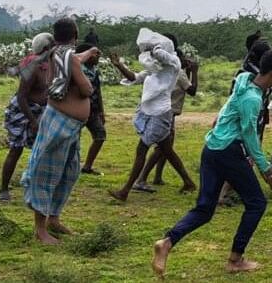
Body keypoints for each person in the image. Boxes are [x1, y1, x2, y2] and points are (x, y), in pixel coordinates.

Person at [152, 51, 272, 277]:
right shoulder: (253, 99)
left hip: (212, 149)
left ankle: (167, 242)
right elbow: (249, 135)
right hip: (229, 151)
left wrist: (222, 119)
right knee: (256, 203)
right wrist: (268, 171)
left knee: (205, 208)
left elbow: (227, 109)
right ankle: (235, 260)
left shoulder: (244, 80)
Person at [21, 17, 96, 245]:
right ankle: (40, 230)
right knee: (47, 172)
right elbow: (86, 89)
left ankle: (53, 218)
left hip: (69, 125)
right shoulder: (68, 58)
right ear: (75, 34)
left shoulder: (57, 53)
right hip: (60, 122)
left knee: (68, 171)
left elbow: (75, 59)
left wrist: (89, 53)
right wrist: (87, 78)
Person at [108, 30, 195, 201]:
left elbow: (163, 55)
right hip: (151, 113)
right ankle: (188, 182)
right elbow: (134, 77)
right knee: (166, 150)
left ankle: (125, 191)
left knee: (142, 149)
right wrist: (119, 65)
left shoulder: (174, 63)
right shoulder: (155, 68)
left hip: (160, 113)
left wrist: (154, 47)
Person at [0, 33, 55, 202]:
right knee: (16, 149)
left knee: (42, 150)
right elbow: (22, 96)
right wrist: (32, 121)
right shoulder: (31, 66)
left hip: (41, 111)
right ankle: (3, 189)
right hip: (23, 112)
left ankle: (36, 186)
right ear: (46, 49)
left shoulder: (50, 64)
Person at [139, 49, 200, 189]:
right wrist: (195, 71)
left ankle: (157, 177)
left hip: (160, 112)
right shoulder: (179, 72)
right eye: (183, 57)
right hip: (167, 114)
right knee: (163, 148)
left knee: (165, 147)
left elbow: (183, 87)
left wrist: (188, 71)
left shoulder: (168, 71)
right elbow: (192, 90)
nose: (186, 59)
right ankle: (142, 178)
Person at [79, 43, 108, 175]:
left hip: (93, 110)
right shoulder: (78, 69)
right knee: (73, 139)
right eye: (96, 54)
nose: (98, 57)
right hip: (78, 109)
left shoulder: (94, 71)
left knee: (100, 135)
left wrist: (101, 111)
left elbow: (98, 91)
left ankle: (87, 166)